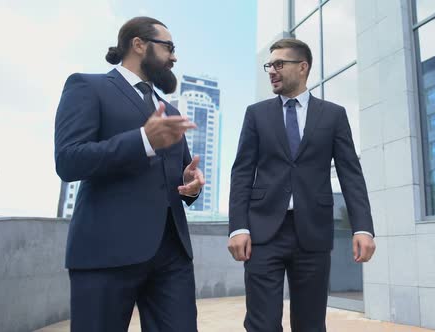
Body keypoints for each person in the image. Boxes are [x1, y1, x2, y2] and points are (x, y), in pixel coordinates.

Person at [54, 16, 204, 332]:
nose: (174, 57)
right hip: (105, 253)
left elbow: (180, 174)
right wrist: (143, 140)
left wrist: (191, 186)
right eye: (169, 47)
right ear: (138, 44)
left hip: (171, 255)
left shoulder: (170, 111)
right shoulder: (87, 86)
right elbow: (69, 161)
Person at [228, 38, 376, 332]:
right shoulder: (256, 114)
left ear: (303, 67)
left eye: (279, 64)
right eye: (269, 65)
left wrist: (363, 227)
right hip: (263, 232)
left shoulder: (333, 115)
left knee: (310, 324)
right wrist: (238, 227)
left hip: (314, 232)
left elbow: (350, 174)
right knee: (262, 324)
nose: (272, 71)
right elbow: (242, 172)